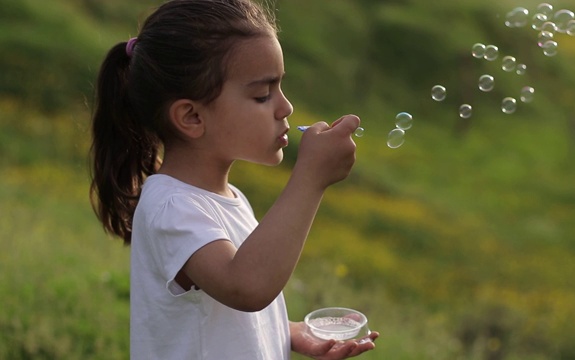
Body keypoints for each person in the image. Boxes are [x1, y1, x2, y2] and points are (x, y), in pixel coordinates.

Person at [89, 0, 379, 358]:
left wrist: (288, 332)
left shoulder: (230, 198)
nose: (285, 107)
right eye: (262, 94)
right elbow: (245, 287)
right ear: (192, 117)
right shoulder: (172, 206)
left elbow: (222, 311)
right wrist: (310, 179)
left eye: (280, 88)